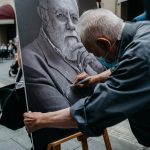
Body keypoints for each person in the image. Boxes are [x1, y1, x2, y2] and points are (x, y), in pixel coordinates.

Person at [24, 8, 150, 147]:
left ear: (105, 43)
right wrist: (95, 78)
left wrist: (41, 120)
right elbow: (127, 67)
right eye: (60, 16)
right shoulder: (143, 29)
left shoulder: (140, 55)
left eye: (97, 53)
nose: (98, 58)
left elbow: (97, 109)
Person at [21, 0, 104, 149]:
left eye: (74, 18)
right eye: (61, 16)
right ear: (44, 16)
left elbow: (111, 85)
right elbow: (70, 119)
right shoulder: (31, 60)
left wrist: (93, 66)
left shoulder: (85, 52)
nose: (71, 25)